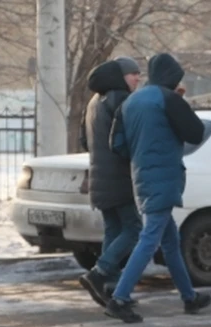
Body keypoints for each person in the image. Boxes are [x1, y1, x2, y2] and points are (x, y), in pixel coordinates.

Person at [105, 53, 211, 323]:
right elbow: (196, 132)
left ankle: (189, 297)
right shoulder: (168, 98)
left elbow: (116, 145)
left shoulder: (131, 102)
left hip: (140, 174)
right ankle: (119, 298)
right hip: (164, 176)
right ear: (172, 77)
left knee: (170, 241)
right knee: (150, 238)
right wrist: (179, 103)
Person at [77, 56, 142, 307]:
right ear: (120, 77)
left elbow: (84, 141)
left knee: (114, 230)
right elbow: (128, 139)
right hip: (118, 177)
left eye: (138, 74)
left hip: (99, 177)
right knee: (134, 229)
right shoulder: (119, 99)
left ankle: (109, 289)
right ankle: (100, 272)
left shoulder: (94, 102)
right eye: (132, 74)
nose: (137, 78)